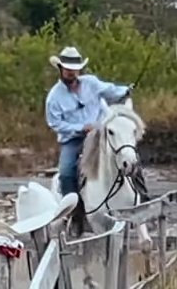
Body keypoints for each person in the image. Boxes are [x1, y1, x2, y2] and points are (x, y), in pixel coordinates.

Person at [45, 46, 132, 201]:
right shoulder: (54, 97)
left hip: (100, 134)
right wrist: (79, 128)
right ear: (60, 68)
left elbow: (110, 90)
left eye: (75, 69)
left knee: (128, 155)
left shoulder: (91, 82)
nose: (71, 73)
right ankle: (71, 208)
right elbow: (55, 123)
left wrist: (125, 91)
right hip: (74, 140)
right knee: (66, 172)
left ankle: (141, 196)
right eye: (68, 69)